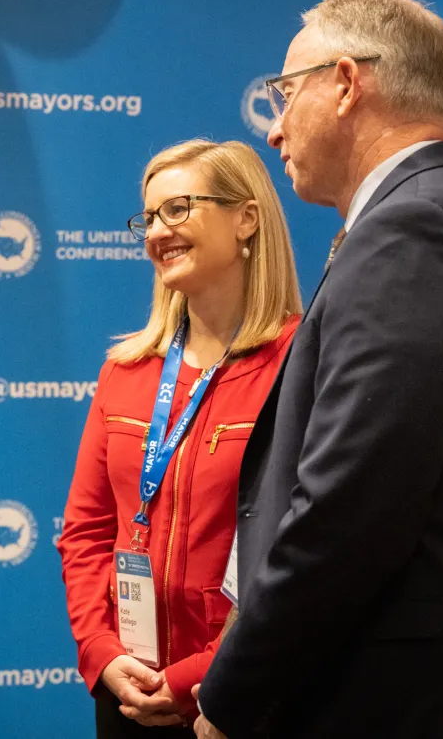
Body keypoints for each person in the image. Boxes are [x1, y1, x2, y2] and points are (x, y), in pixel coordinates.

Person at [194, 0, 443, 739]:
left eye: (285, 93)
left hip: (396, 703)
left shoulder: (413, 229)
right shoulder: (437, 213)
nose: (273, 128)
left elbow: (344, 515)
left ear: (347, 84)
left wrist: (230, 698)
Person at [59, 139, 302, 738]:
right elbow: (86, 530)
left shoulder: (299, 366)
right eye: (149, 217)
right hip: (126, 687)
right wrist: (100, 650)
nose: (157, 232)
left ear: (246, 217)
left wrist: (201, 676)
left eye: (179, 209)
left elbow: (298, 554)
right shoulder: (127, 369)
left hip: (240, 695)